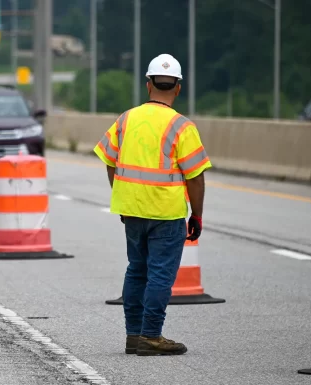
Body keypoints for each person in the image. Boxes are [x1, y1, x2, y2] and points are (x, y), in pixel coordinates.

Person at [93, 53, 211, 356]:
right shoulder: (182, 127)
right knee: (160, 273)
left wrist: (121, 196)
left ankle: (134, 336)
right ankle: (151, 336)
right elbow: (195, 177)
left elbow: (109, 161)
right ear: (178, 88)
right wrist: (196, 215)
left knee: (136, 270)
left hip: (131, 208)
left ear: (148, 85)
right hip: (166, 212)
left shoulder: (126, 119)